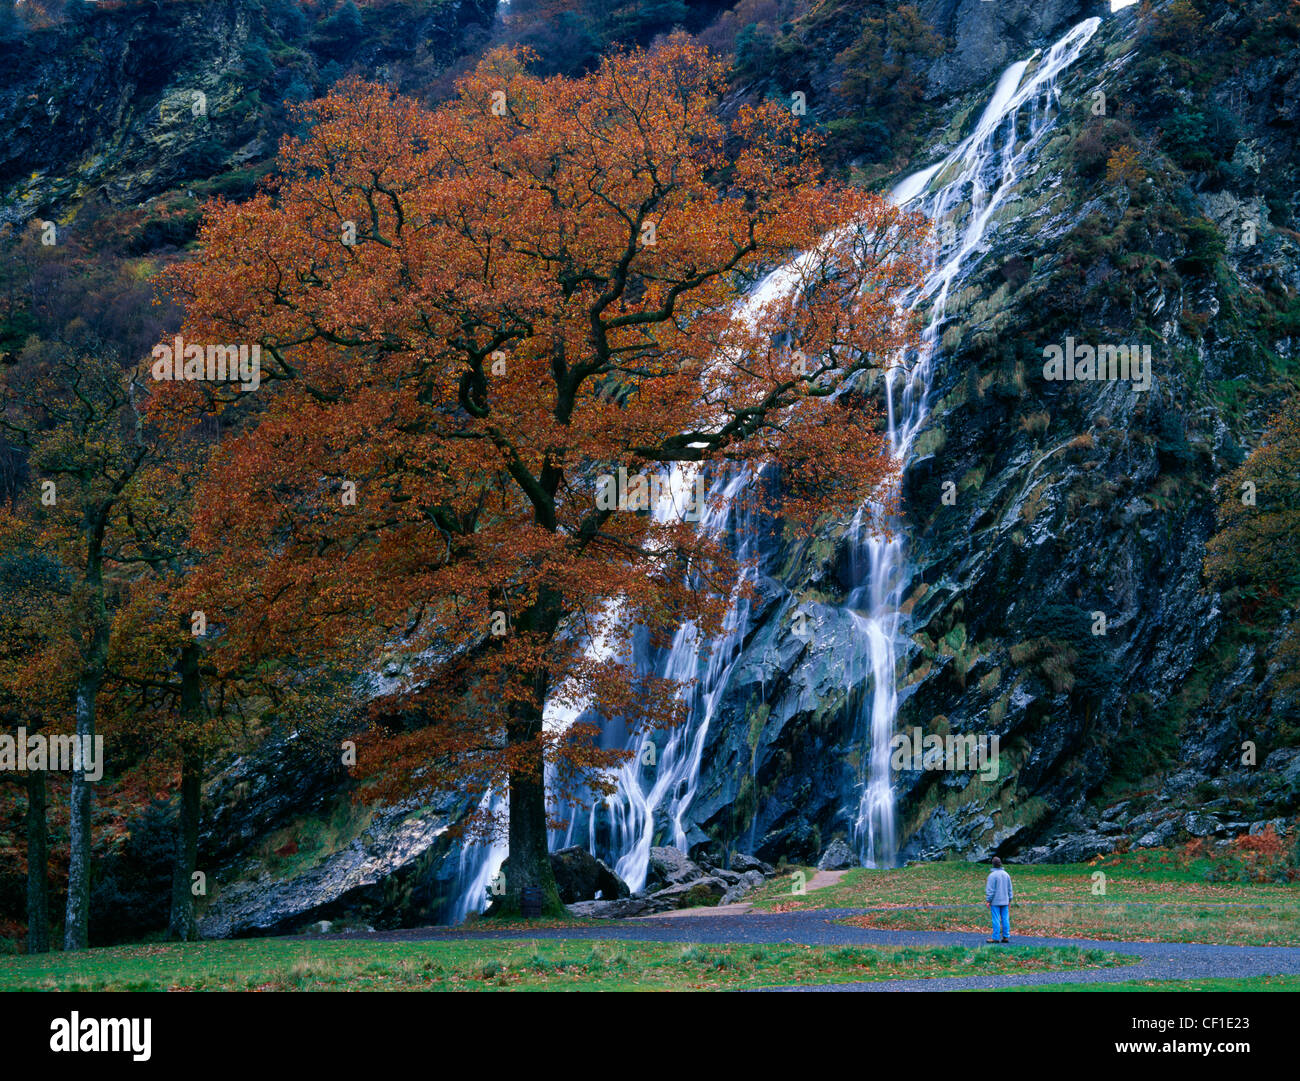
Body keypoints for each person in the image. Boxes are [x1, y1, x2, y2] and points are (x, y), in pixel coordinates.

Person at [985, 856, 1013, 943]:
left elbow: (990, 890)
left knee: (996, 919)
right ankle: (1006, 936)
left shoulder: (992, 876)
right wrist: (1010, 900)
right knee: (1005, 918)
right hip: (1005, 900)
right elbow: (1010, 889)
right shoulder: (1006, 874)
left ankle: (995, 937)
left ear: (993, 864)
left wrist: (988, 900)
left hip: (995, 901)